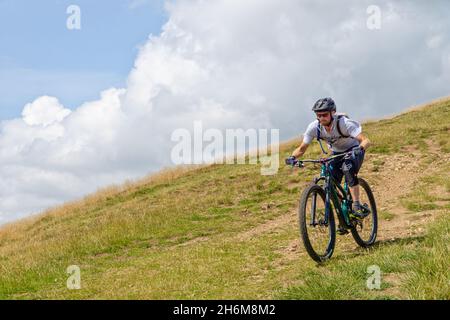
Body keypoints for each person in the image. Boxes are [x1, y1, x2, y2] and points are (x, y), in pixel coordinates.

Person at [286, 98, 371, 231]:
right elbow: (302, 148)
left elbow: (365, 140)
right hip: (336, 153)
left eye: (324, 115)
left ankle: (356, 205)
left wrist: (359, 148)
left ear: (333, 112)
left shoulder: (344, 123)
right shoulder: (314, 127)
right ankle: (344, 214)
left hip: (353, 150)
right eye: (318, 115)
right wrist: (292, 157)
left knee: (347, 169)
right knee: (330, 184)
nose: (321, 118)